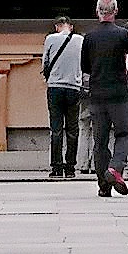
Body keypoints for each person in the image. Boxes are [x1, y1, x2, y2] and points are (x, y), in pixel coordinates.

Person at [78, 0, 128, 196]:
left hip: (97, 93)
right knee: (125, 133)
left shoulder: (89, 37)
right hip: (119, 92)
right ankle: (115, 168)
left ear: (97, 11)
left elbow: (85, 66)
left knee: (100, 141)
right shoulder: (123, 34)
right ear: (116, 11)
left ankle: (104, 186)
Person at [39, 12, 85, 178]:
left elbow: (45, 62)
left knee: (56, 128)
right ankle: (71, 167)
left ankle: (57, 167)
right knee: (73, 128)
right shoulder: (80, 40)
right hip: (74, 87)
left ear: (56, 27)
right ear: (71, 27)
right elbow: (85, 63)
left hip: (55, 87)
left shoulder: (51, 39)